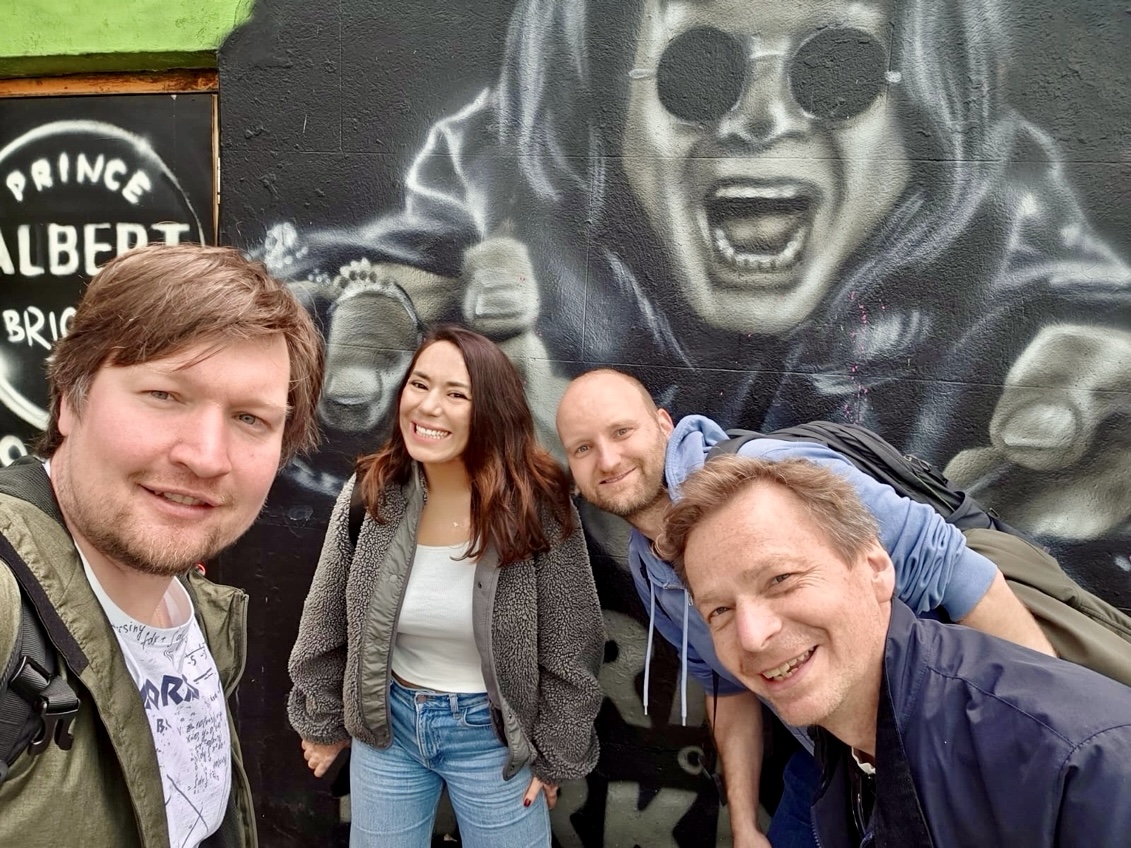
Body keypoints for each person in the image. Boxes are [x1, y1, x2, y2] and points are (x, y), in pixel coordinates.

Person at [258, 0, 1131, 574]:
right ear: (609, 110)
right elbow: (397, 259)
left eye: (835, 71)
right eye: (697, 71)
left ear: (920, 116)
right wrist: (343, 324)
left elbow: (1059, 288)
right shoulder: (500, 212)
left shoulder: (1006, 268)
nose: (760, 119)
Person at [555, 368, 1055, 848]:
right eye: (583, 448)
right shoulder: (648, 565)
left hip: (947, 742)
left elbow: (961, 575)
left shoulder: (771, 474)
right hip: (829, 759)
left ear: (663, 424)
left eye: (622, 431)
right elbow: (728, 692)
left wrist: (1047, 741)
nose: (608, 459)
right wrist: (744, 826)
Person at [0, 243, 325, 847]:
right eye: (165, 396)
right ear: (69, 399)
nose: (206, 457)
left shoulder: (196, 610)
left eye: (250, 419)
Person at [659, 454, 1131, 847]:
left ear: (876, 568)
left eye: (781, 579)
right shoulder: (848, 747)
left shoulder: (1081, 765)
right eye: (719, 610)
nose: (751, 635)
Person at [287, 325, 604, 848]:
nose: (428, 406)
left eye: (457, 395)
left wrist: (556, 756)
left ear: (491, 412)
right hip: (389, 729)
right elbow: (325, 617)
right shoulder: (373, 494)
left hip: (495, 739)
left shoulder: (538, 506)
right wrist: (323, 721)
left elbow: (573, 642)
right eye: (419, 384)